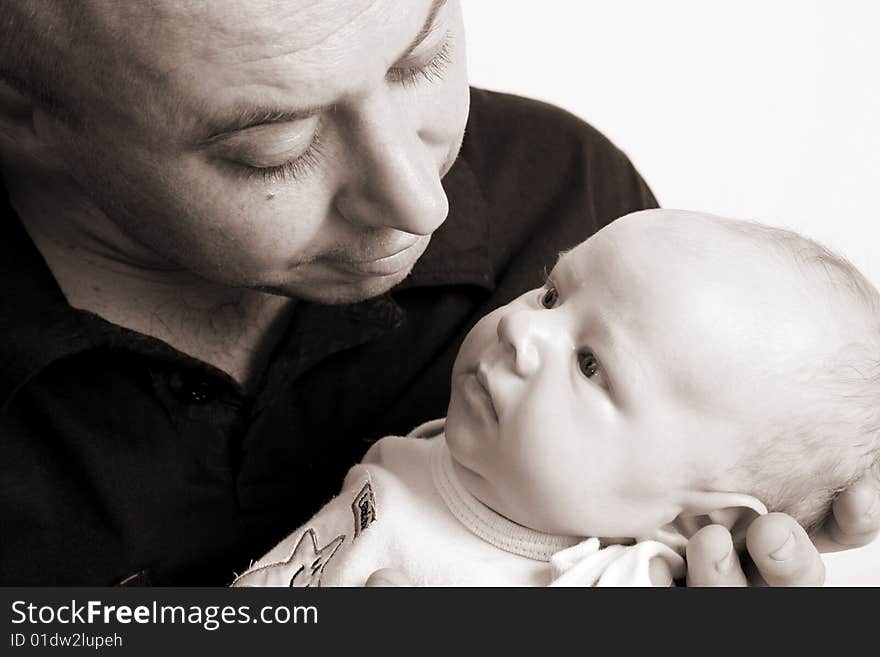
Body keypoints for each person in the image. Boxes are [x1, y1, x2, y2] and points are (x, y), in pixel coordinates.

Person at [0, 0, 874, 586]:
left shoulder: (570, 195)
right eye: (272, 146)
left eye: (420, 60)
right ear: (22, 113)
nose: (422, 202)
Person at [231, 209, 880, 586]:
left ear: (692, 524)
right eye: (552, 293)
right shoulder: (438, 453)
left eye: (591, 364)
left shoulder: (614, 587)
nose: (521, 327)